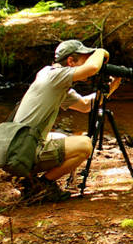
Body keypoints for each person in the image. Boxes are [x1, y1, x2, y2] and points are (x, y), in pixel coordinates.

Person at [14, 39, 121, 202]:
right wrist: (101, 52)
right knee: (85, 145)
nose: (90, 64)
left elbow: (86, 105)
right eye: (84, 59)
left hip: (20, 146)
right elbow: (91, 68)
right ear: (71, 61)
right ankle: (40, 185)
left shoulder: (51, 78)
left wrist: (112, 87)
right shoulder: (54, 76)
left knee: (62, 139)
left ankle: (30, 177)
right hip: (22, 151)